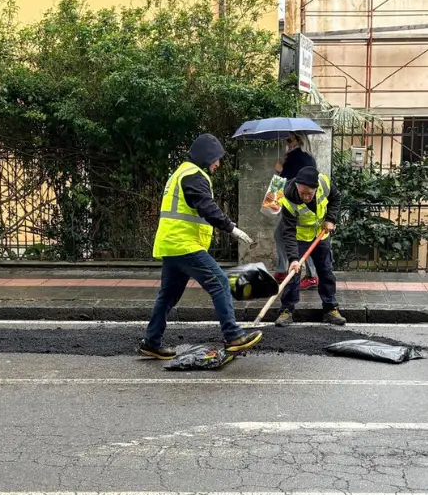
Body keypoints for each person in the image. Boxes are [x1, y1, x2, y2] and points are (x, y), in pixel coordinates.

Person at [139, 133, 263, 359]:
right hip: (185, 245)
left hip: (171, 245)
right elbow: (207, 207)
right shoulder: (194, 175)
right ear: (206, 156)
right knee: (220, 282)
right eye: (216, 158)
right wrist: (231, 228)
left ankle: (152, 342)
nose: (218, 164)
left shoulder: (180, 173)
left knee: (168, 296)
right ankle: (233, 335)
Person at [274, 166, 347, 327]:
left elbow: (336, 198)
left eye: (310, 193)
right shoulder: (287, 200)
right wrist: (293, 258)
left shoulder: (324, 183)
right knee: (293, 273)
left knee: (326, 272)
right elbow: (288, 231)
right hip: (299, 237)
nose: (306, 197)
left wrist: (331, 219)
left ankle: (330, 309)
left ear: (316, 188)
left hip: (321, 235)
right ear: (297, 187)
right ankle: (286, 310)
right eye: (302, 193)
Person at [274, 133, 318, 289]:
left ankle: (311, 275)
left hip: (298, 206)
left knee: (299, 240)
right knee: (280, 234)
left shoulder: (298, 156)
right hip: (301, 205)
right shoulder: (305, 157)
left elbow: (291, 180)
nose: (287, 143)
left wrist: (280, 169)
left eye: (289, 140)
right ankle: (282, 270)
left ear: (298, 140)